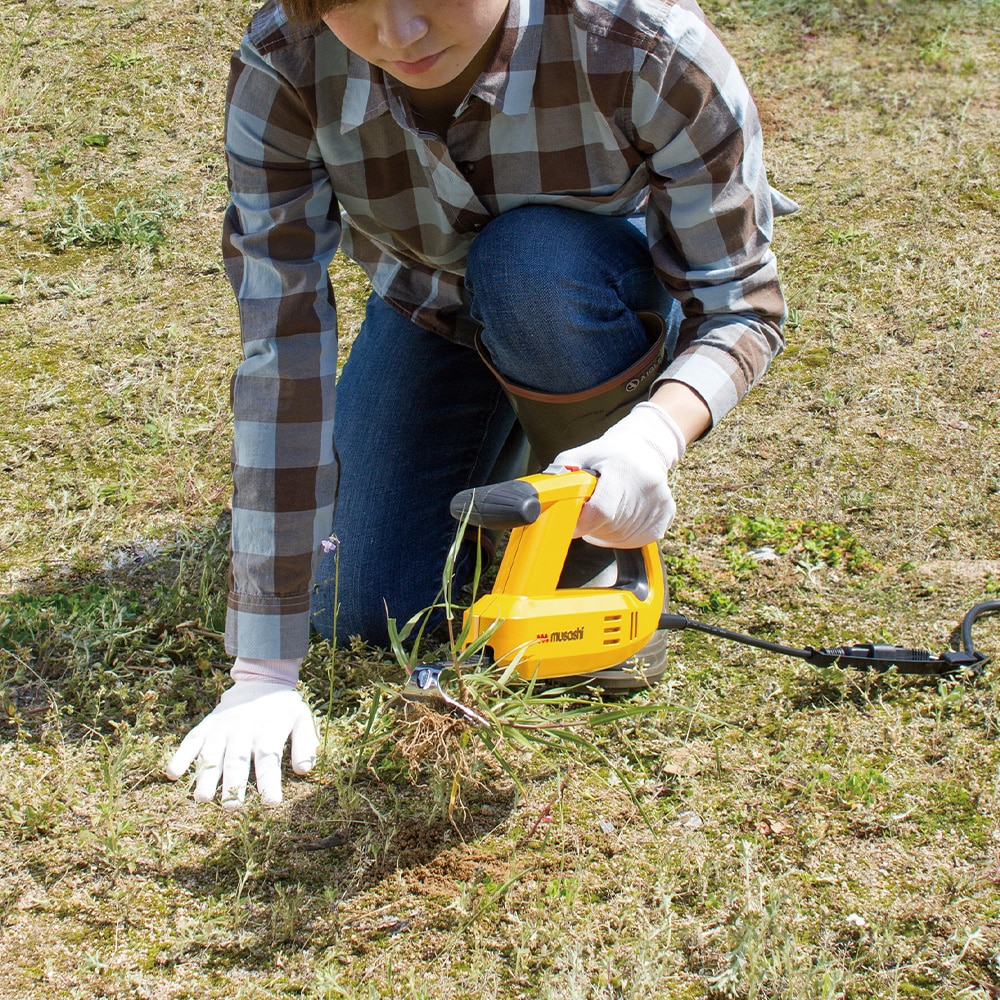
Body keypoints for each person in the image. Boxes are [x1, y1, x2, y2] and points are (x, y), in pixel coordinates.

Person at [165, 0, 791, 808]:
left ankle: (588, 512)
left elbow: (742, 306)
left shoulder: (647, 45)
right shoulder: (286, 63)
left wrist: (652, 437)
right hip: (427, 306)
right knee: (367, 612)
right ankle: (509, 435)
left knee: (530, 266)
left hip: (584, 292)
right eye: (352, 6)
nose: (399, 35)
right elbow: (281, 343)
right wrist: (262, 668)